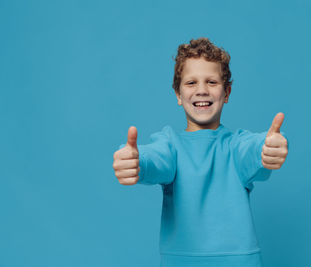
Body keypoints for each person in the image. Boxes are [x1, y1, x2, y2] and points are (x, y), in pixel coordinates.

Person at [112, 37, 289, 267]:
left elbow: (254, 150)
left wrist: (268, 148)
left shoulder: (236, 145)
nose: (202, 90)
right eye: (191, 83)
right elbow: (154, 159)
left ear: (227, 93)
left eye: (212, 82)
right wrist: (136, 161)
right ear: (177, 94)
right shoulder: (170, 145)